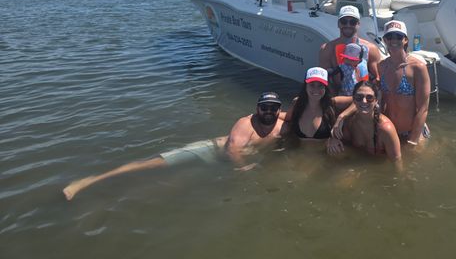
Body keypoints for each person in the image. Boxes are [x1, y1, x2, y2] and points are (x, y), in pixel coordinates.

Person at [62, 92, 289, 201]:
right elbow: (233, 151)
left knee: (178, 183)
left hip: (224, 165)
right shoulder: (245, 124)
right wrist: (243, 170)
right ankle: (87, 182)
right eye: (264, 107)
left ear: (279, 110)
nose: (268, 112)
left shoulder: (281, 123)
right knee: (153, 164)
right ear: (257, 108)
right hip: (212, 150)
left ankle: (124, 196)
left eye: (273, 108)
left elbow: (305, 112)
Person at [378, 20, 431, 147]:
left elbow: (423, 109)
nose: (394, 40)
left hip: (412, 132)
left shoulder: (418, 67)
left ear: (405, 40)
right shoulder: (382, 66)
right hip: (391, 132)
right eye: (390, 37)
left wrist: (413, 140)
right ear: (385, 40)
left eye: (398, 36)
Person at [327, 81, 402, 164]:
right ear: (354, 100)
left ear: (376, 101)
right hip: (358, 165)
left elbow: (397, 163)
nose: (364, 101)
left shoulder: (386, 129)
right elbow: (342, 143)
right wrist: (332, 139)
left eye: (369, 98)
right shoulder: (350, 122)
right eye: (359, 97)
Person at [319, 5, 382, 94]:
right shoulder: (326, 49)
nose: (348, 25)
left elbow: (377, 79)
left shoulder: (371, 49)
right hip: (338, 97)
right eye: (344, 21)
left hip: (364, 99)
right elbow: (324, 79)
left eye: (352, 22)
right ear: (338, 23)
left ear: (358, 24)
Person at [282, 67, 353, 142]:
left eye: (320, 85)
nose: (316, 89)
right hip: (296, 152)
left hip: (323, 153)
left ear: (326, 87)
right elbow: (287, 116)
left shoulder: (332, 104)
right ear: (305, 86)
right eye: (312, 85)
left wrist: (341, 117)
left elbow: (358, 100)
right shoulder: (297, 103)